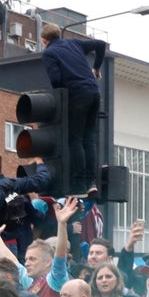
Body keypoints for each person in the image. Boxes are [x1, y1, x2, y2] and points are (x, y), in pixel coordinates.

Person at [40, 23, 106, 194]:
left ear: (44, 40)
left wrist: (62, 95)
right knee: (89, 138)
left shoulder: (49, 53)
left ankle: (80, 183)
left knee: (75, 139)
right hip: (94, 92)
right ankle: (92, 182)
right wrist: (96, 68)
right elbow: (100, 44)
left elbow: (55, 79)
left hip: (77, 96)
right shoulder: (73, 43)